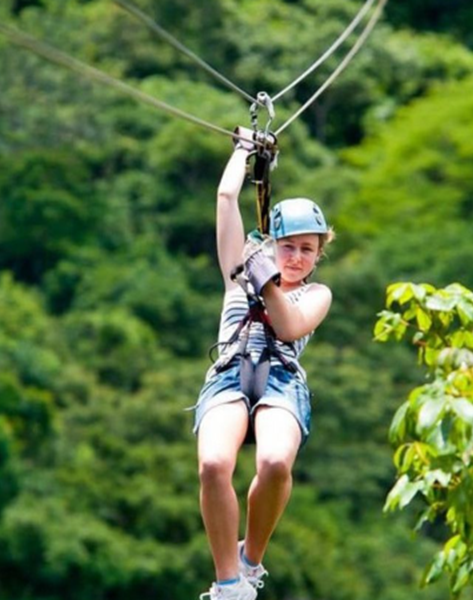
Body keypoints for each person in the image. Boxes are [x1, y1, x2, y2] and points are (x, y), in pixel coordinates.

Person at [192, 127, 334, 600]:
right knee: (214, 463)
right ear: (272, 243)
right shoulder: (238, 274)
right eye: (288, 246)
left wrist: (267, 279)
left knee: (274, 461)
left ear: (317, 256)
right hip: (231, 372)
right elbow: (226, 197)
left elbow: (290, 328)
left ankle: (251, 560)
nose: (295, 258)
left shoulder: (317, 294)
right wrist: (243, 149)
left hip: (280, 379)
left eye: (306, 250)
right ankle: (228, 584)